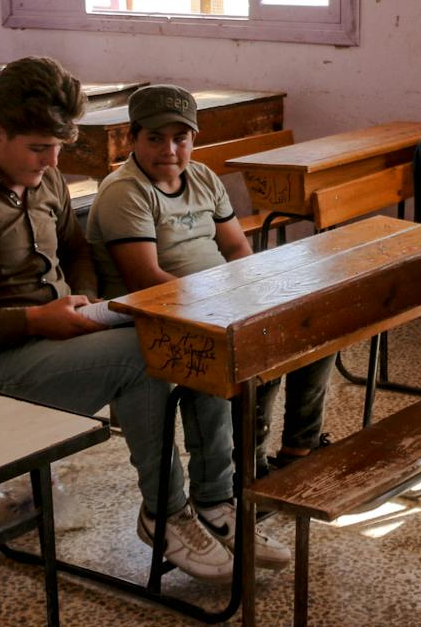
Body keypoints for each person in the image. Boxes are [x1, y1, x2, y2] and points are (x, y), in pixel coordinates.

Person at [0, 57, 233, 584]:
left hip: (61, 339)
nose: (52, 160)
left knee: (194, 334)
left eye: (59, 147)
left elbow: (76, 249)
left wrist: (82, 296)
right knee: (142, 356)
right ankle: (167, 514)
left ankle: (217, 499)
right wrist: (36, 320)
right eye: (39, 147)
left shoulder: (46, 179)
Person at [85, 84, 306, 570]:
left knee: (307, 332)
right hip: (152, 317)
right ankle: (195, 505)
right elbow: (147, 281)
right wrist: (219, 310)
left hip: (210, 307)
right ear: (132, 140)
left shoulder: (201, 176)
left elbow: (238, 250)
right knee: (213, 366)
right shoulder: (126, 192)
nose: (170, 150)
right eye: (156, 139)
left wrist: (247, 298)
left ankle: (236, 488)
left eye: (181, 138)